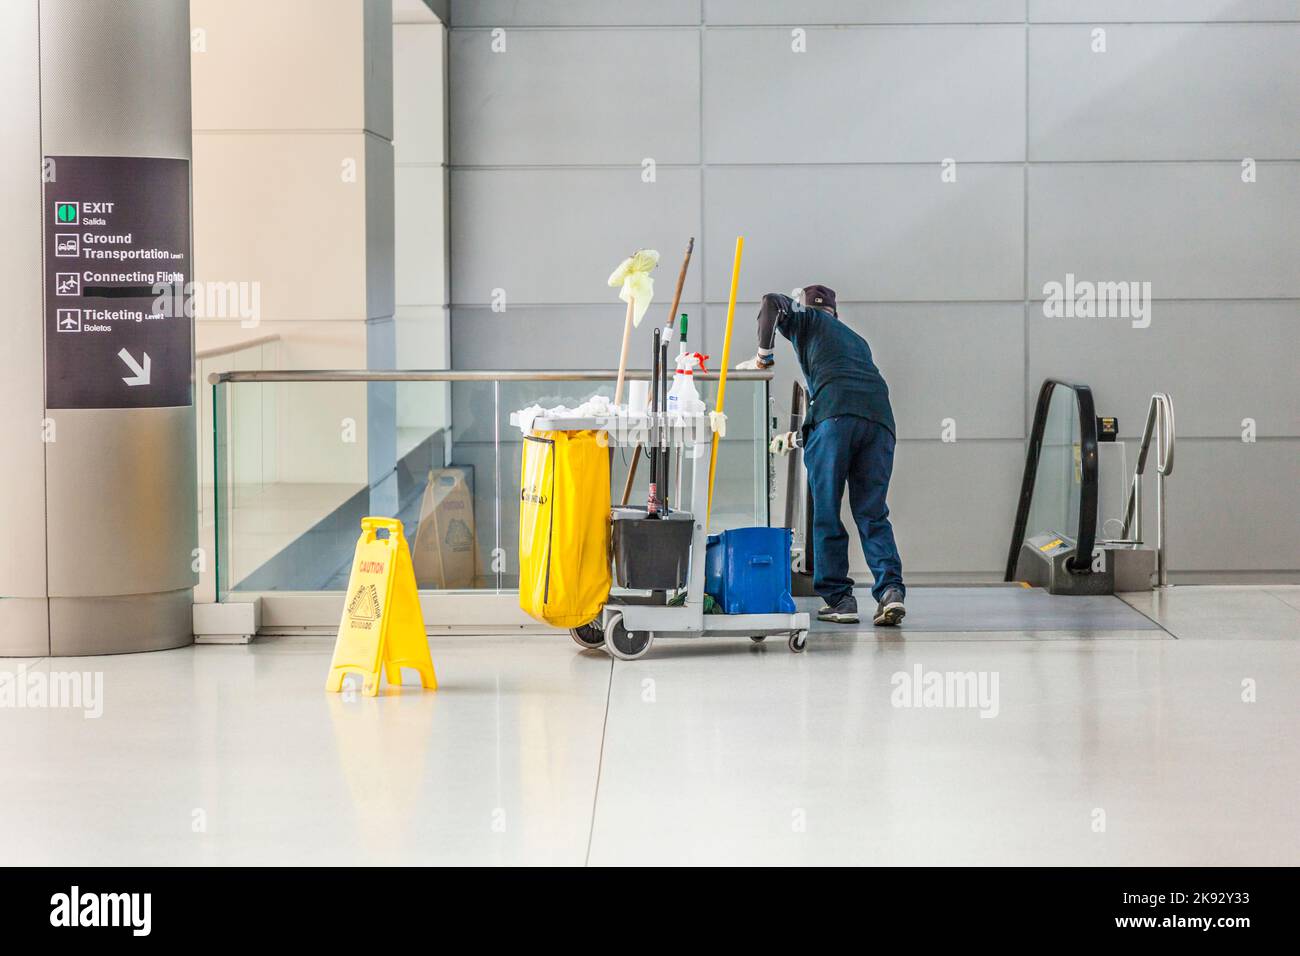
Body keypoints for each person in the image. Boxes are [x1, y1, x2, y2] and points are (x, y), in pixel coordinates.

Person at [738, 285, 905, 625]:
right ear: (836, 313)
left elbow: (771, 302)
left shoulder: (806, 319)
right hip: (880, 423)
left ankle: (840, 600)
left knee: (826, 510)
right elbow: (845, 403)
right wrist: (797, 437)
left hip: (834, 418)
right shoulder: (857, 341)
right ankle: (890, 592)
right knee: (872, 513)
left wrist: (763, 357)